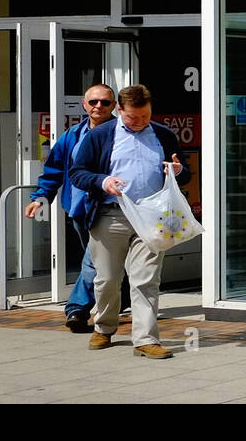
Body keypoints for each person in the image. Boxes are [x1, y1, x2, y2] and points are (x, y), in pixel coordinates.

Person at [69, 83, 188, 358]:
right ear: (120, 110)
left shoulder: (163, 135)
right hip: (111, 215)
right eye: (133, 117)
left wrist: (178, 171)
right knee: (108, 279)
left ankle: (145, 339)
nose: (140, 122)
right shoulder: (99, 136)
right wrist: (103, 181)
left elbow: (183, 172)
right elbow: (77, 173)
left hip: (152, 218)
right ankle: (105, 327)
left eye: (145, 116)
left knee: (145, 280)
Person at [23, 84, 128, 332]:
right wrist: (40, 197)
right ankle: (119, 297)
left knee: (93, 260)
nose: (98, 107)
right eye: (93, 102)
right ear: (84, 104)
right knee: (101, 261)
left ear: (114, 106)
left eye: (105, 102)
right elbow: (54, 170)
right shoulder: (73, 136)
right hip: (80, 208)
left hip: (112, 209)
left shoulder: (123, 134)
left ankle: (77, 309)